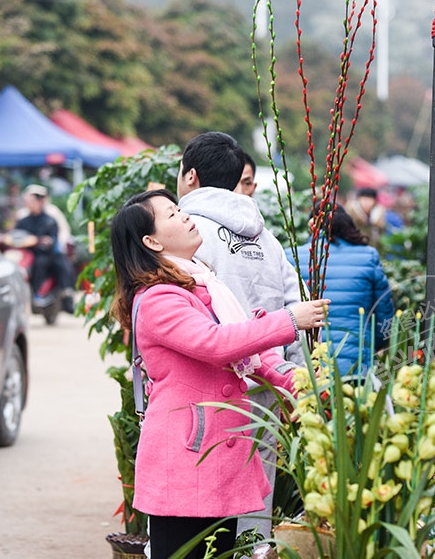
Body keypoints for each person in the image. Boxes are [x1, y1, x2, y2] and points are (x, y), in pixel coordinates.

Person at [109, 188, 329, 559]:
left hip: (215, 458)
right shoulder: (158, 298)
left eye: (179, 208)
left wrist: (304, 386)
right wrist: (290, 320)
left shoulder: (203, 286)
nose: (184, 216)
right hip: (185, 459)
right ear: (151, 241)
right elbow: (217, 344)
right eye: (171, 214)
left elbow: (252, 355)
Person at [175, 131, 306, 540]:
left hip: (205, 390)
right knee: (254, 504)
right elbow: (297, 311)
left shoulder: (185, 232)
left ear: (191, 176)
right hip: (266, 387)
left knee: (194, 511)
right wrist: (297, 383)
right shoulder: (268, 239)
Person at [287, 203, 395, 376]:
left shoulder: (292, 258)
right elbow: (384, 312)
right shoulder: (368, 257)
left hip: (307, 365)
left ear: (311, 226)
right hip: (356, 363)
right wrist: (376, 343)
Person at [13, 184, 74, 310]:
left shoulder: (51, 216)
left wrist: (48, 243)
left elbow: (58, 235)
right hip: (28, 252)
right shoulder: (23, 217)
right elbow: (16, 234)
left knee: (60, 264)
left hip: (47, 252)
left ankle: (65, 295)